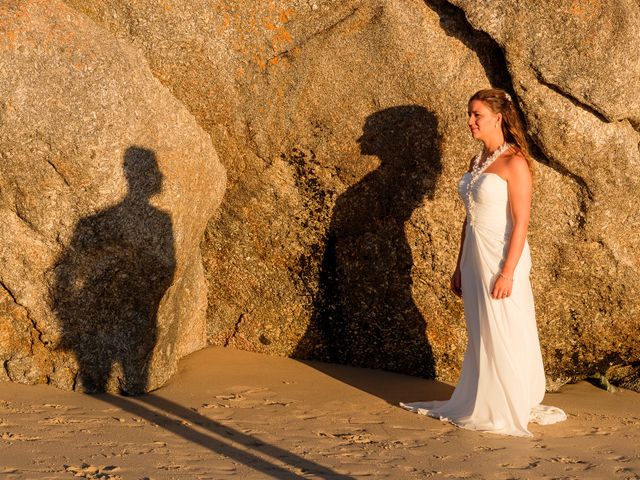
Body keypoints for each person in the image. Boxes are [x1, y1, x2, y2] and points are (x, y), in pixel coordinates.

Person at [399, 88, 567, 437]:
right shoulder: (478, 162)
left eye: (477, 115)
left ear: (498, 118)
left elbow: (521, 222)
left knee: (505, 324)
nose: (470, 121)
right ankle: (482, 395)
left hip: (503, 257)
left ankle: (509, 401)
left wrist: (507, 272)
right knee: (481, 329)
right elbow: (469, 218)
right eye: (469, 114)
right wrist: (459, 265)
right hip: (475, 256)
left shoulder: (515, 162)